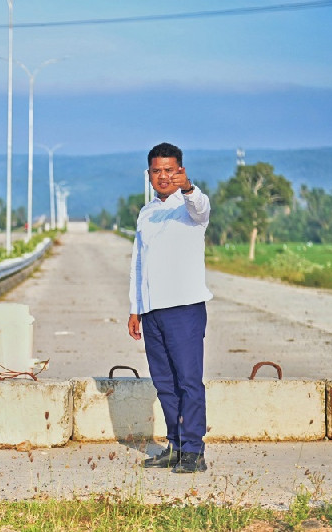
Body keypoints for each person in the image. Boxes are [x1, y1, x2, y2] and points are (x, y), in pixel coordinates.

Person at [127, 142, 213, 473]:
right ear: (149, 174)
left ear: (179, 171)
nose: (163, 176)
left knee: (189, 380)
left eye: (170, 170)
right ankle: (175, 446)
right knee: (164, 382)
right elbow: (139, 263)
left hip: (185, 308)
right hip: (152, 311)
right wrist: (135, 308)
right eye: (157, 171)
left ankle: (194, 450)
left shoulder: (190, 207)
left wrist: (188, 187)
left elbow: (201, 206)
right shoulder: (146, 213)